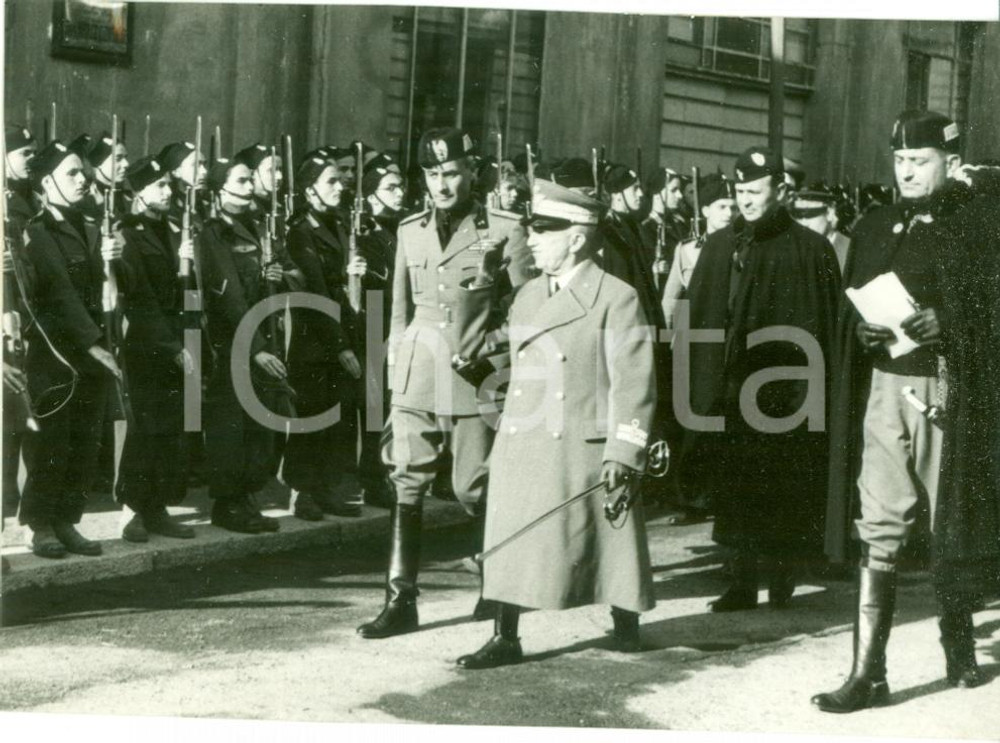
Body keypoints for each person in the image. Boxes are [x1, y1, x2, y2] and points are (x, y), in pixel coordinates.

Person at [815, 111, 992, 713]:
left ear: (950, 161)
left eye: (920, 160)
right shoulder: (875, 224)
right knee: (880, 521)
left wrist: (951, 320)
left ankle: (960, 646)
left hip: (952, 391)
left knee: (953, 520)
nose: (908, 171)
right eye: (900, 161)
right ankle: (869, 673)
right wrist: (863, 331)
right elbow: (855, 298)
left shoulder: (979, 221)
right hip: (888, 387)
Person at [452, 177, 657, 669]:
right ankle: (506, 635)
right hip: (525, 436)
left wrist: (623, 451)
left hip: (581, 443)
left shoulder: (616, 296)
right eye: (533, 229)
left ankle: (625, 619)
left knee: (612, 540)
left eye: (545, 230)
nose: (533, 239)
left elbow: (635, 381)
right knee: (511, 534)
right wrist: (480, 286)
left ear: (578, 237)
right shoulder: (526, 296)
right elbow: (470, 350)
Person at [356, 127, 530, 640]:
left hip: (473, 374)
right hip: (416, 372)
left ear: (472, 172)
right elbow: (399, 311)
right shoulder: (410, 229)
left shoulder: (504, 228)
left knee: (471, 485)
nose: (441, 184)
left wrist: (492, 352)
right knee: (405, 478)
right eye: (432, 174)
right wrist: (395, 373)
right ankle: (400, 599)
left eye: (451, 172)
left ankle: (497, 580)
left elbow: (526, 307)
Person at [676, 145, 840, 612]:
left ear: (782, 191)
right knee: (737, 484)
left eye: (755, 191)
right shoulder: (721, 245)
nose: (745, 200)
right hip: (730, 388)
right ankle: (743, 580)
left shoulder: (810, 250)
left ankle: (783, 573)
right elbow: (700, 314)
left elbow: (825, 325)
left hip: (787, 390)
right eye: (740, 191)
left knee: (784, 483)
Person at [18, 141, 124, 558]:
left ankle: (67, 521)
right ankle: (39, 524)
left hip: (93, 350)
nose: (84, 180)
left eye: (84, 173)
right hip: (56, 355)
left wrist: (116, 262)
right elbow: (59, 295)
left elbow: (107, 290)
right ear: (47, 183)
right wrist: (95, 344)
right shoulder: (37, 232)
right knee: (51, 444)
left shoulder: (92, 227)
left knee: (84, 442)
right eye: (72, 174)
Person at [199, 156, 303, 534]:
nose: (248, 186)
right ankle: (229, 503)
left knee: (264, 425)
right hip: (234, 344)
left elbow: (295, 272)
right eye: (240, 181)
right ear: (220, 188)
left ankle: (248, 496)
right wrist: (255, 347)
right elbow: (228, 298)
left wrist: (282, 274)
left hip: (269, 336)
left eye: (249, 181)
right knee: (234, 426)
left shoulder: (263, 227)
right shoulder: (212, 233)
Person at [114, 156, 197, 542]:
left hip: (177, 338)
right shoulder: (128, 234)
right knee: (146, 427)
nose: (169, 191)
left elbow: (183, 292)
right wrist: (170, 346)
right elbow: (140, 299)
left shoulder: (171, 231)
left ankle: (158, 506)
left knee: (171, 427)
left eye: (169, 184)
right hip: (148, 345)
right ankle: (133, 509)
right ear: (139, 192)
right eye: (160, 186)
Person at [282, 153, 363, 520]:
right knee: (312, 417)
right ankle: (302, 493)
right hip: (314, 339)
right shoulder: (301, 231)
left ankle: (326, 488)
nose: (339, 186)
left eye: (339, 180)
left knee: (338, 417)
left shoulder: (338, 224)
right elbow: (313, 292)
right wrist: (341, 345)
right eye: (330, 181)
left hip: (339, 330)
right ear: (309, 189)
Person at [355, 162, 407, 508]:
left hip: (394, 324)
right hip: (372, 327)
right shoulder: (363, 233)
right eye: (391, 187)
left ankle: (384, 474)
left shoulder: (397, 229)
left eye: (401, 186)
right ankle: (373, 479)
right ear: (372, 192)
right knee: (373, 410)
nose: (400, 193)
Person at [3, 124, 39, 521]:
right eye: (24, 152)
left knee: (20, 421)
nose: (31, 159)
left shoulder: (26, 201)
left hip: (21, 320)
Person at [661, 173, 737, 335]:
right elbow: (670, 300)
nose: (729, 214)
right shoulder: (687, 250)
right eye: (722, 207)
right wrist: (667, 340)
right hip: (694, 331)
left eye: (734, 208)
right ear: (706, 211)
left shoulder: (742, 249)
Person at [790, 182, 851, 274]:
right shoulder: (793, 250)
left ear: (830, 213)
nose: (803, 223)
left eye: (810, 214)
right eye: (798, 215)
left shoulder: (850, 251)